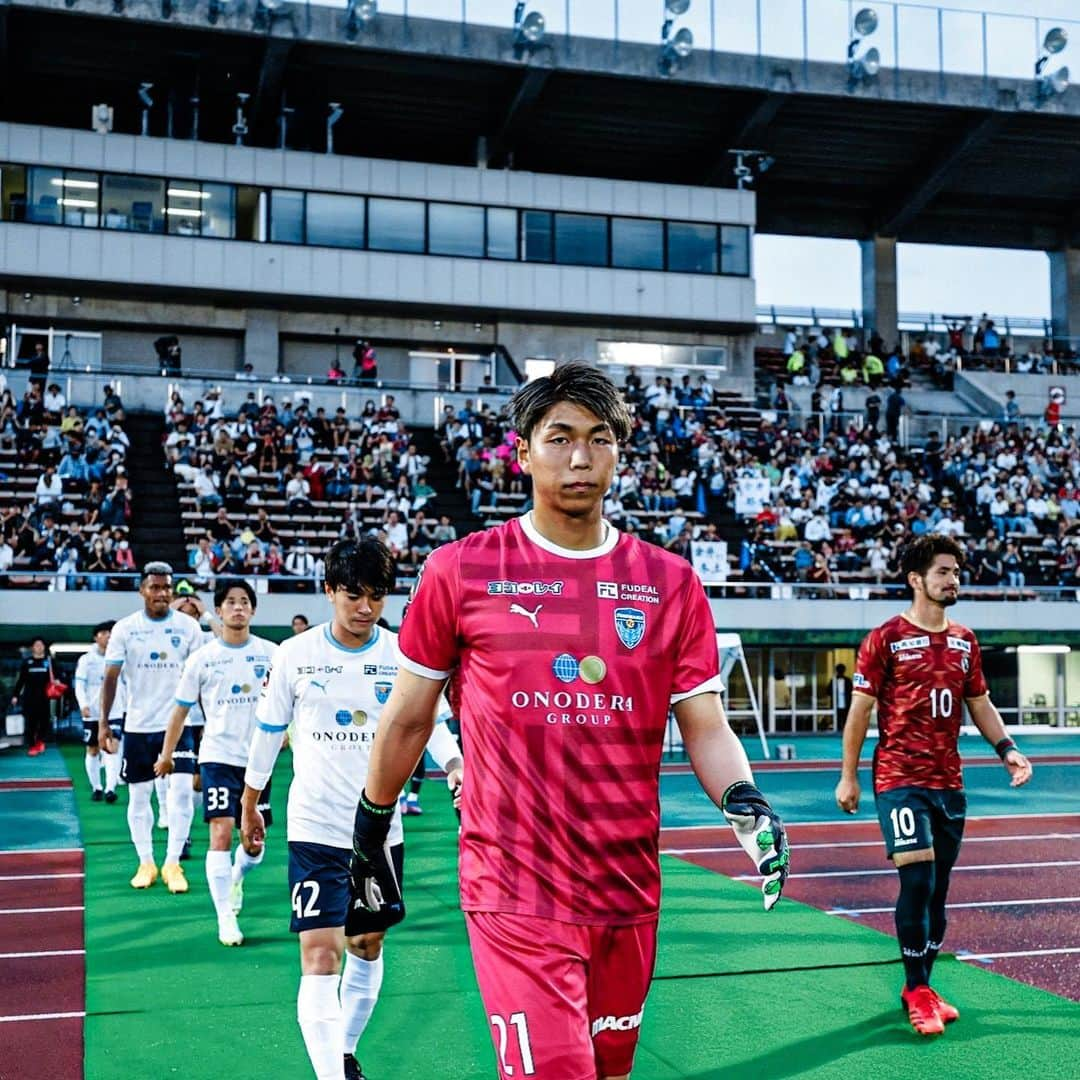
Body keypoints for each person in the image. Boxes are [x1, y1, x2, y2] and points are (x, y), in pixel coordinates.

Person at [350, 362, 789, 1080]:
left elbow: (704, 723)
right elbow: (407, 718)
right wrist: (369, 828)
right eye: (559, 438)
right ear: (521, 452)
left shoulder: (670, 582)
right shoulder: (461, 571)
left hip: (627, 887)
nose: (580, 456)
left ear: (619, 451)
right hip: (513, 882)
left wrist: (744, 798)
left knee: (609, 1072)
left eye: (598, 438)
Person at [239, 539, 463, 1080]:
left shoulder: (403, 655)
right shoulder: (293, 655)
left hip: (379, 833)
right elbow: (268, 732)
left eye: (376, 597)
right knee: (320, 955)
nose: (365, 608)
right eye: (353, 595)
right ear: (329, 592)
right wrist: (251, 799)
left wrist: (455, 765)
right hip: (315, 825)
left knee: (367, 942)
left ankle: (341, 1052)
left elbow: (429, 724)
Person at [835, 535, 1033, 1036]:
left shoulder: (966, 641)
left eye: (957, 572)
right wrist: (848, 776)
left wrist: (1006, 748)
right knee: (917, 881)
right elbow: (860, 711)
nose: (954, 580)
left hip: (950, 784)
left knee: (939, 892)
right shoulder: (885, 638)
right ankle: (916, 990)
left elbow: (980, 702)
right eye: (944, 571)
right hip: (900, 779)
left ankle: (922, 985)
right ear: (917, 579)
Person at [155, 579, 277, 947]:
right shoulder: (202, 658)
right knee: (220, 833)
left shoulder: (273, 654)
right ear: (220, 611)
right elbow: (179, 712)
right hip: (218, 757)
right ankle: (226, 918)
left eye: (244, 602)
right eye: (230, 603)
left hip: (259, 760)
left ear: (253, 610)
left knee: (254, 844)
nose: (237, 608)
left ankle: (237, 875)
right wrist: (166, 754)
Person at [99, 562, 205, 893]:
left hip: (179, 725)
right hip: (139, 727)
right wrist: (104, 723)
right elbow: (111, 678)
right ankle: (146, 861)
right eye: (154, 587)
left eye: (166, 587)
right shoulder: (125, 629)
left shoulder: (189, 628)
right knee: (140, 795)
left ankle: (173, 862)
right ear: (142, 590)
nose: (161, 593)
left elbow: (203, 679)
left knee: (183, 793)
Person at [75, 621, 122, 802]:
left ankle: (111, 788)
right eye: (104, 633)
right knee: (93, 749)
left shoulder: (120, 658)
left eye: (110, 633)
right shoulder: (86, 660)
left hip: (115, 710)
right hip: (93, 712)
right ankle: (97, 787)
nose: (108, 636)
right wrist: (83, 704)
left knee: (112, 747)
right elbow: (80, 684)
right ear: (96, 637)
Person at [11, 636, 53, 756]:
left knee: (44, 722)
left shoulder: (49, 662)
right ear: (33, 648)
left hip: (45, 698)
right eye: (36, 645)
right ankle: (32, 746)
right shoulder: (27, 662)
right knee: (30, 723)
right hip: (29, 698)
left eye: (41, 645)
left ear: (44, 647)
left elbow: (58, 675)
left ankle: (39, 741)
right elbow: (21, 681)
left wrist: (59, 681)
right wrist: (15, 695)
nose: (39, 647)